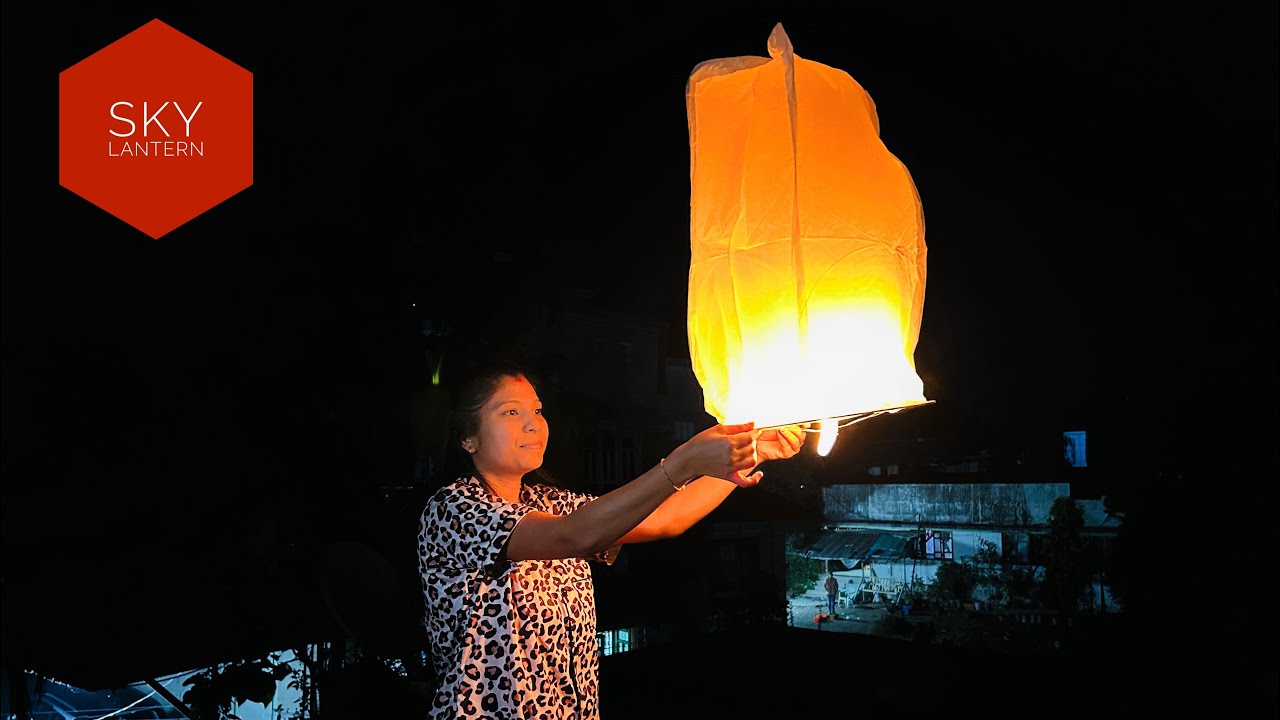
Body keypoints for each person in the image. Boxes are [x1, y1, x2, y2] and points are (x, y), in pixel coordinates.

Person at [417, 360, 807, 719]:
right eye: (511, 412)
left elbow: (665, 518)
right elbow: (572, 536)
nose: (533, 424)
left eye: (537, 410)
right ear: (468, 439)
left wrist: (752, 451)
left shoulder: (550, 503)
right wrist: (683, 461)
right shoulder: (454, 509)